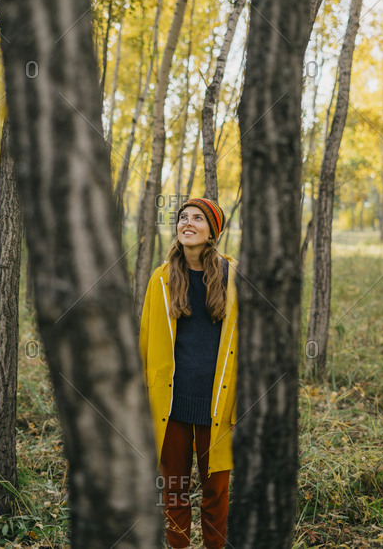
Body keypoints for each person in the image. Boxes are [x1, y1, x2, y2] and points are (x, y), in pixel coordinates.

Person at [140, 197, 238, 549]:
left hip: (219, 405)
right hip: (172, 404)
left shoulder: (234, 278)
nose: (187, 223)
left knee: (216, 493)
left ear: (213, 231)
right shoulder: (162, 279)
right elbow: (147, 343)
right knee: (174, 492)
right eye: (183, 217)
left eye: (198, 218)